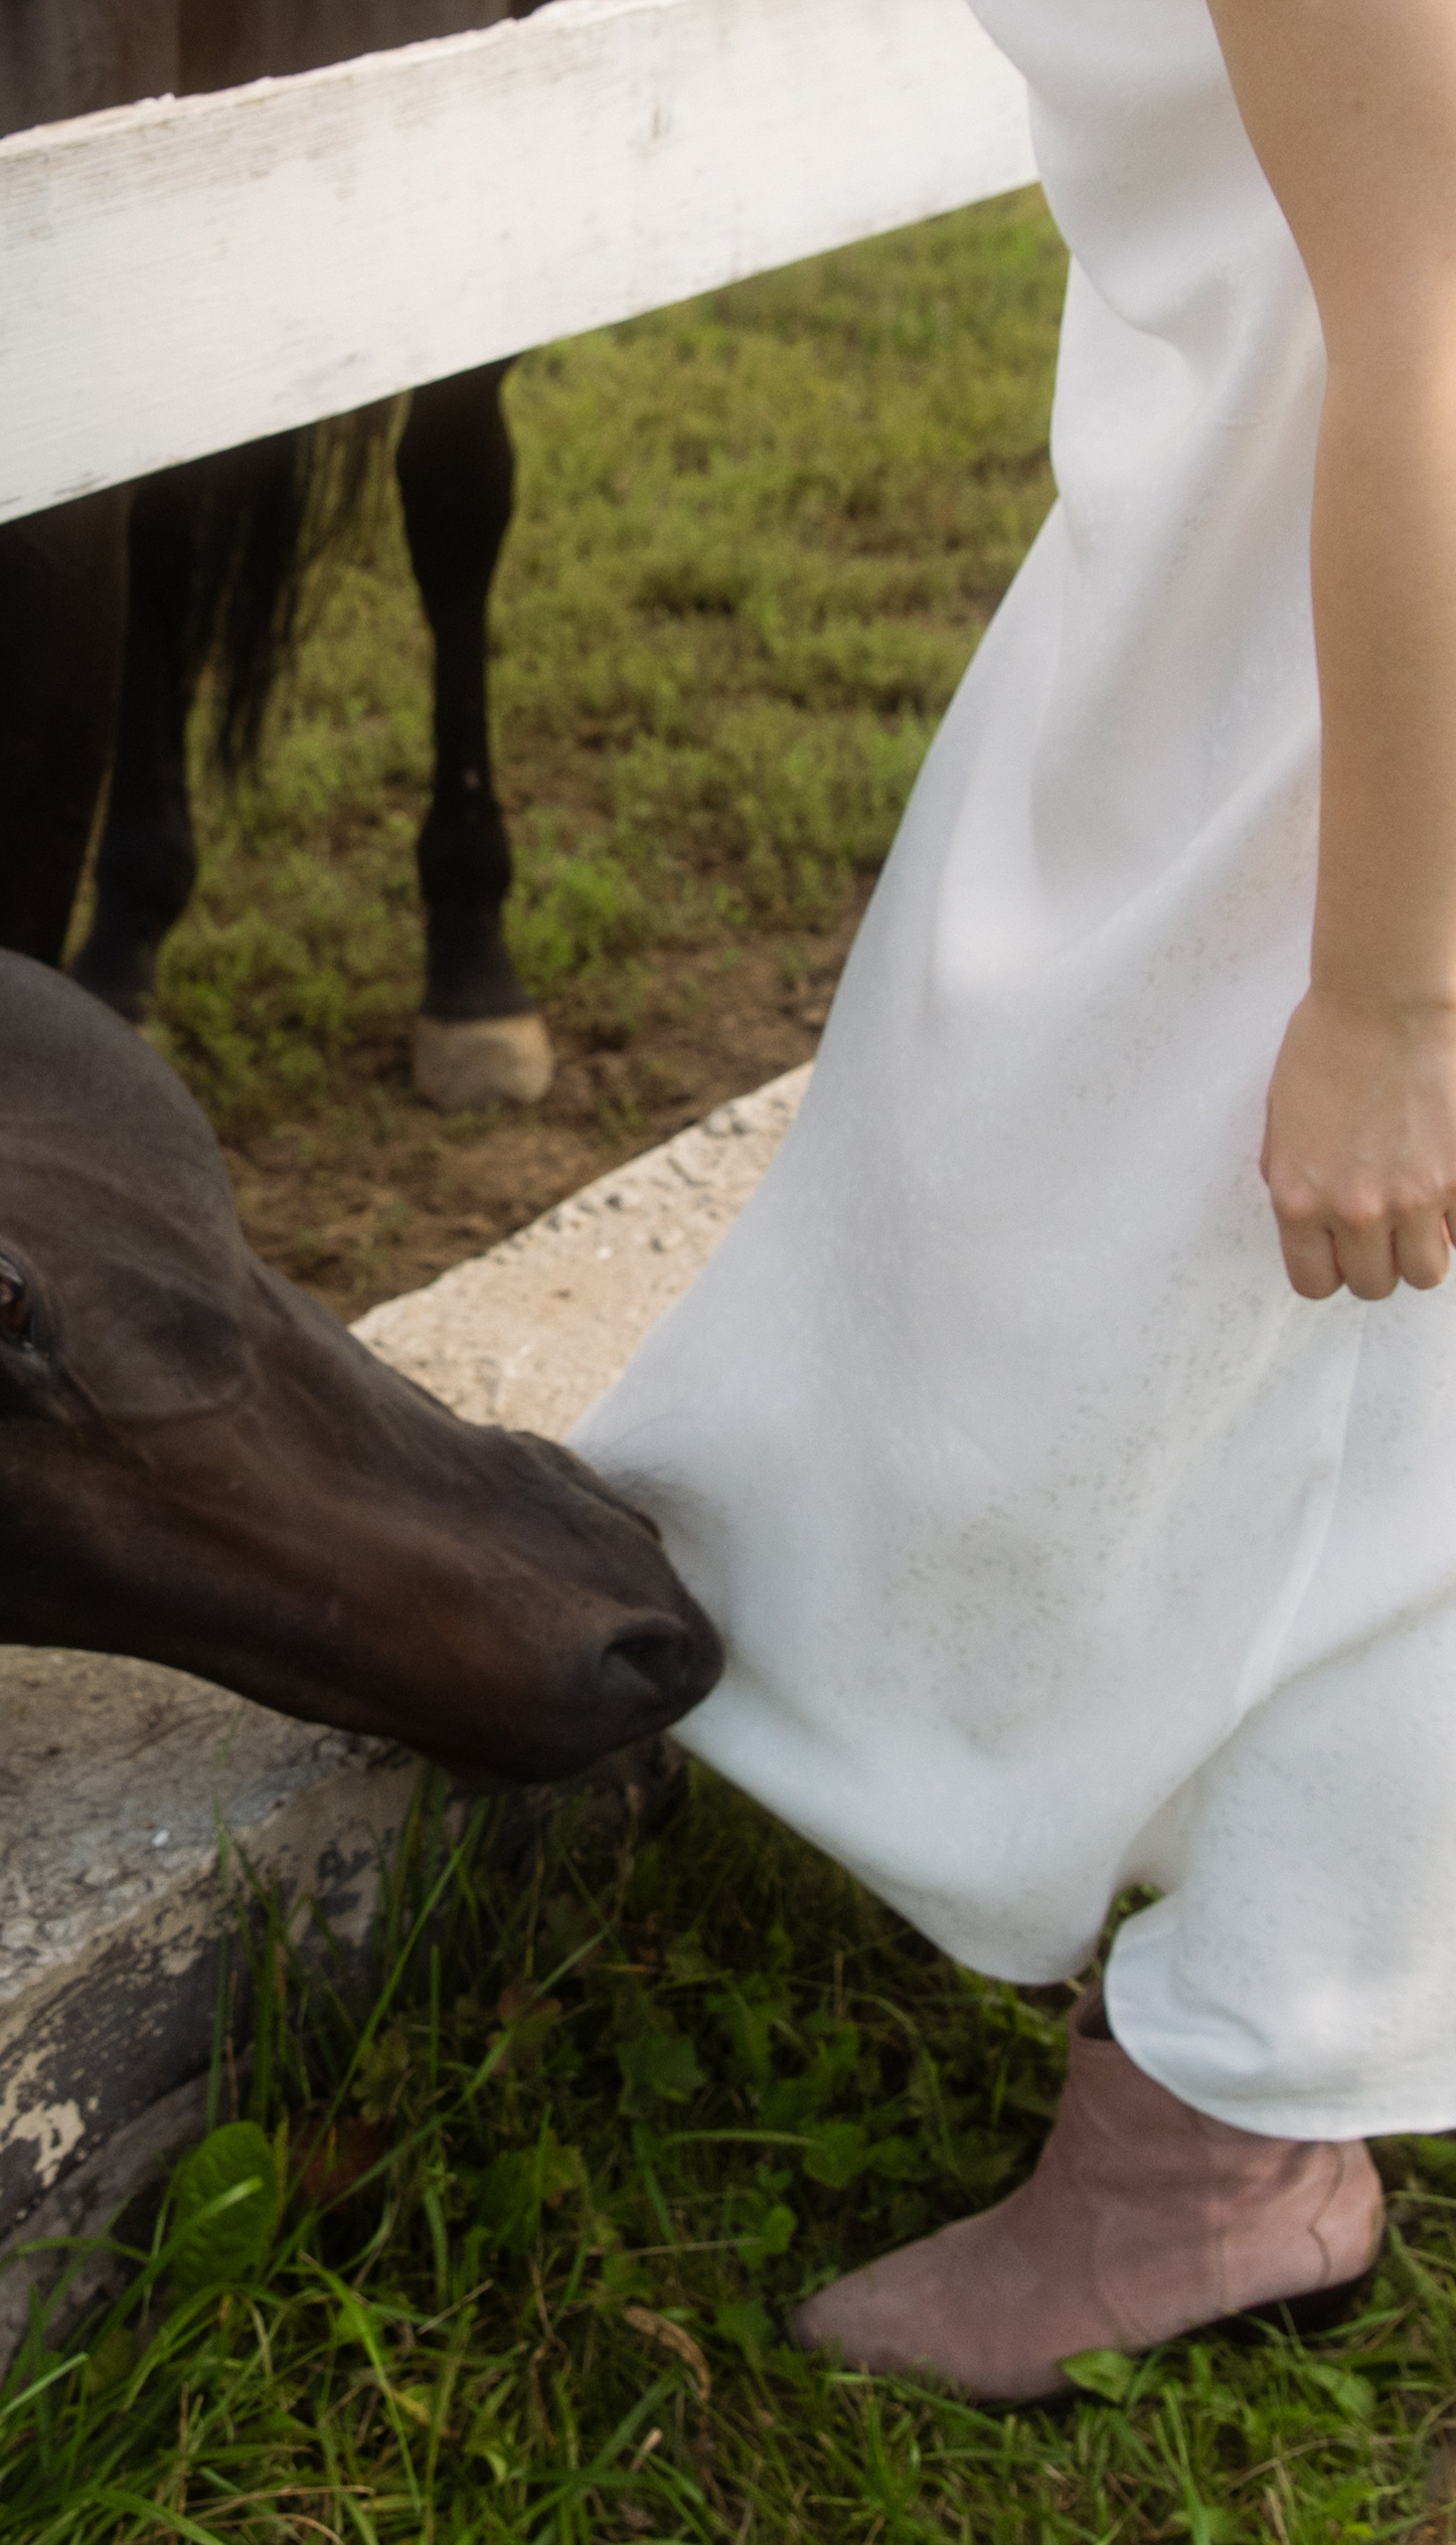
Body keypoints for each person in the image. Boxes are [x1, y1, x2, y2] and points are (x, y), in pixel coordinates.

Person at [568, 0, 1456, 2404]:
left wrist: (1389, 983)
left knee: (1333, 1337)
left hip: (1351, 622)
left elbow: (1441, 303)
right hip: (1242, 535)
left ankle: (1217, 2150)